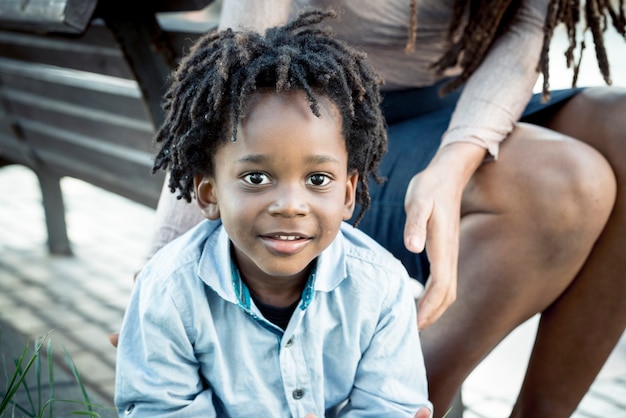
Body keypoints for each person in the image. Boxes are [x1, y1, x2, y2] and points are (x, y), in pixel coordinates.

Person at [128, 1, 626, 417]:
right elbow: (236, 68)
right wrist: (166, 258)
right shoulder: (176, 286)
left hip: (459, 108)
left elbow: (524, 25)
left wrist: (454, 164)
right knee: (568, 183)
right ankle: (415, 392)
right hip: (316, 122)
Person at [114, 10, 434, 418]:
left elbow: (389, 408)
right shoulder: (168, 294)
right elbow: (161, 409)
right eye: (256, 177)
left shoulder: (382, 289)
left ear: (348, 193)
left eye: (318, 179)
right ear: (208, 193)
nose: (290, 205)